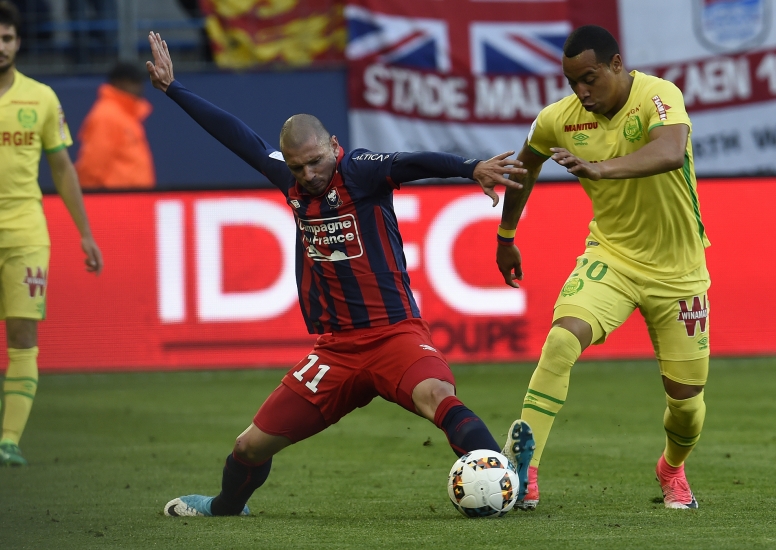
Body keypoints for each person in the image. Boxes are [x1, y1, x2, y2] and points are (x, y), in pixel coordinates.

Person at [145, 32, 536, 517]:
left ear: (334, 145)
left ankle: (506, 477)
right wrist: (173, 88)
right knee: (249, 446)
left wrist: (471, 166)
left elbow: (413, 162)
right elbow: (237, 135)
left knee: (437, 395)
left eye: (315, 162)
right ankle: (226, 507)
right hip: (335, 350)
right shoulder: (288, 179)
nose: (308, 174)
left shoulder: (362, 171)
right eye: (297, 167)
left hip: (394, 334)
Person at [497, 25, 711, 510]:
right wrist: (506, 235)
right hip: (610, 258)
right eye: (573, 82)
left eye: (589, 79)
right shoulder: (558, 120)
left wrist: (601, 168)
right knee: (560, 341)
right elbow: (524, 167)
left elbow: (670, 151)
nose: (582, 92)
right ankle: (522, 471)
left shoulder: (659, 95)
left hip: (679, 272)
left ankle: (671, 468)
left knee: (687, 405)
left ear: (617, 65)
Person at [0, 1, 103, 467]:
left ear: (18, 42)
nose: (0, 47)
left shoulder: (40, 98)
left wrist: (85, 233)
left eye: (6, 38)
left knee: (22, 334)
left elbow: (62, 168)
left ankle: (9, 440)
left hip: (25, 231)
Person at [75, 62, 156, 190]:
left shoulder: (125, 115)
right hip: (117, 201)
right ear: (119, 82)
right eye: (134, 82)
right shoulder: (107, 116)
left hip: (133, 199)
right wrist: (90, 200)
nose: (139, 87)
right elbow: (92, 166)